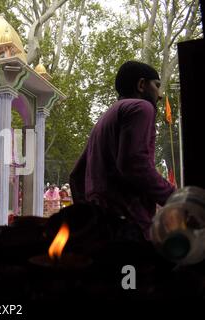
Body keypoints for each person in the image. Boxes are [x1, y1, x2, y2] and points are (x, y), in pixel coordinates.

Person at [69, 61, 175, 242]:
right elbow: (134, 163)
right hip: (130, 226)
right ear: (141, 85)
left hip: (102, 230)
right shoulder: (141, 107)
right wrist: (174, 197)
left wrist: (89, 215)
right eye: (156, 86)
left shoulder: (104, 119)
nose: (159, 95)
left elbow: (76, 176)